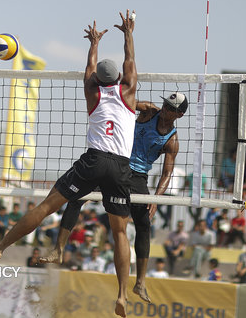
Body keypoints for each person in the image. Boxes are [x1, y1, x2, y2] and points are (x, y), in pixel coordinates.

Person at [0, 10, 137, 318]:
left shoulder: (92, 91)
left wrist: (93, 42)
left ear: (97, 81)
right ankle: (121, 295)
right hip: (121, 166)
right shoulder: (130, 90)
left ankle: (0, 247)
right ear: (119, 78)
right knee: (120, 233)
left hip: (93, 160)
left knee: (45, 207)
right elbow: (130, 59)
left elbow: (90, 66)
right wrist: (128, 32)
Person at [40, 91, 188, 303]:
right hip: (117, 163)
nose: (164, 109)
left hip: (138, 176)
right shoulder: (148, 111)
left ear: (179, 115)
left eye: (170, 108)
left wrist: (157, 198)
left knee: (144, 224)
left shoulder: (172, 140)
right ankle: (58, 249)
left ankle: (141, 282)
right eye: (165, 105)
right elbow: (125, 104)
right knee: (76, 199)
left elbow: (166, 174)